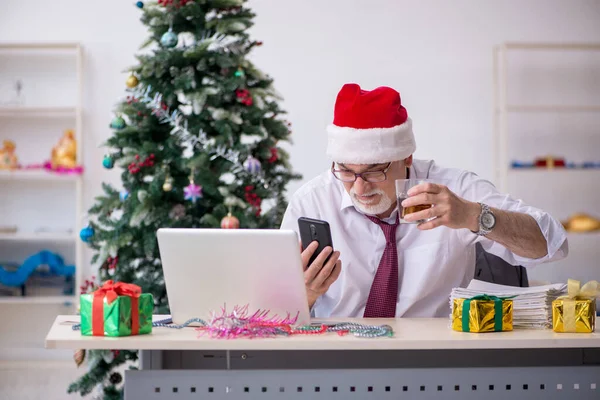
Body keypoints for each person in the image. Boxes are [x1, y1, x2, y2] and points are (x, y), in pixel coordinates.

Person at [280, 83, 568, 318]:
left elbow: (553, 244)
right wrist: (305, 295)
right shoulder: (313, 201)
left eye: (374, 171)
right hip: (338, 358)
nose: (358, 187)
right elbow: (269, 315)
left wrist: (472, 216)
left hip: (437, 358)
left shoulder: (454, 189)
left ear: (407, 157)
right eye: (345, 170)